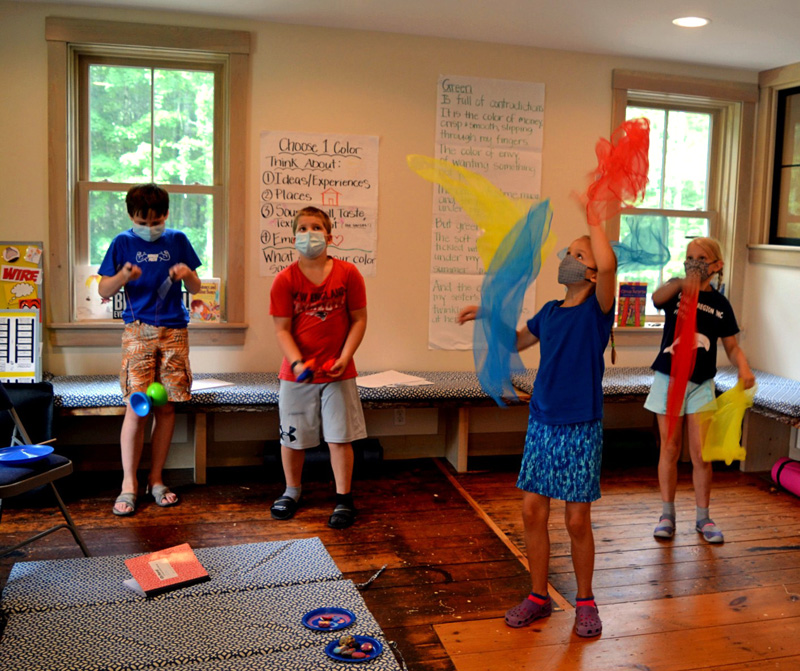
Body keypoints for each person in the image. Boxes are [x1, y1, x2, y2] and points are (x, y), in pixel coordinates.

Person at [458, 220, 617, 638]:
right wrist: (489, 315)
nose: (567, 258)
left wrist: (595, 218)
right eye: (568, 251)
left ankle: (585, 601)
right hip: (542, 422)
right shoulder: (549, 312)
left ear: (594, 272)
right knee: (532, 511)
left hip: (580, 425)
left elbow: (611, 265)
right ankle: (538, 596)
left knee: (577, 520)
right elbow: (513, 342)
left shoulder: (597, 310)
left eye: (579, 255)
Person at [98, 183, 202, 516]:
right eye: (142, 222)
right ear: (131, 216)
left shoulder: (179, 240)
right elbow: (103, 288)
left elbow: (198, 287)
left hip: (174, 331)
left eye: (155, 221)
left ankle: (156, 480)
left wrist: (187, 274)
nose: (149, 227)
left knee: (167, 408)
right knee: (137, 407)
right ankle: (129, 484)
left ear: (166, 215)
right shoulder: (121, 243)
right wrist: (123, 275)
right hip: (137, 330)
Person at [646, 237, 755, 544]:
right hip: (669, 379)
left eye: (701, 258)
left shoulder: (721, 305)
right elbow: (656, 297)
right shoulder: (675, 291)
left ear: (716, 266)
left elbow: (732, 346)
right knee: (670, 447)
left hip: (702, 385)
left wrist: (744, 369)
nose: (694, 262)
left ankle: (703, 518)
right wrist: (682, 283)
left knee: (701, 454)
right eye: (689, 257)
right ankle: (667, 514)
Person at [269, 206, 368, 529]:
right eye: (302, 228)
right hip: (296, 375)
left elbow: (359, 319)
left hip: (339, 373)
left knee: (340, 438)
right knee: (292, 438)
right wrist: (297, 363)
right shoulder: (284, 280)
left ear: (329, 235)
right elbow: (282, 329)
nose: (309, 234)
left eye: (316, 227)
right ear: (293, 236)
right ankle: (292, 491)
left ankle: (343, 499)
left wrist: (345, 356)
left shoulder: (349, 274)